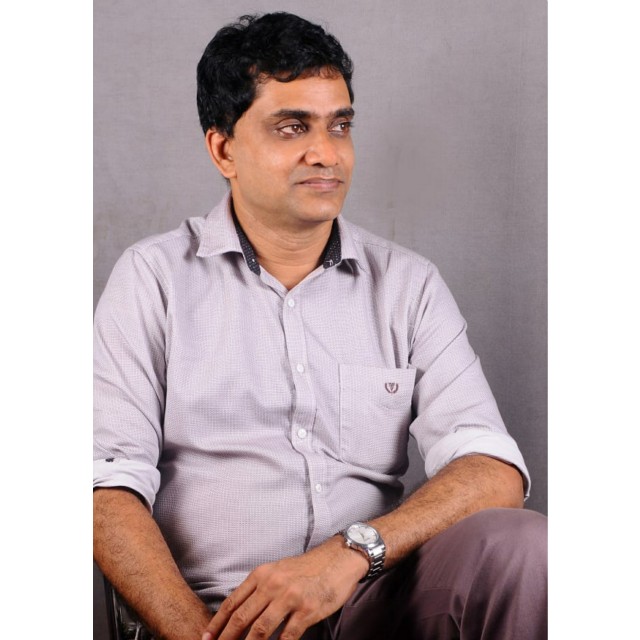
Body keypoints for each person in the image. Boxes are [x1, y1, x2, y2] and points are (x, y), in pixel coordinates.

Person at [93, 12, 547, 640]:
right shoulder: (154, 280)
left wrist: (350, 554)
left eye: (340, 125)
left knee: (521, 543)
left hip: (372, 604)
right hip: (218, 618)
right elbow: (105, 490)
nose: (327, 154)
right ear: (223, 149)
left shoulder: (408, 285)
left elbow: (492, 468)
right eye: (292, 128)